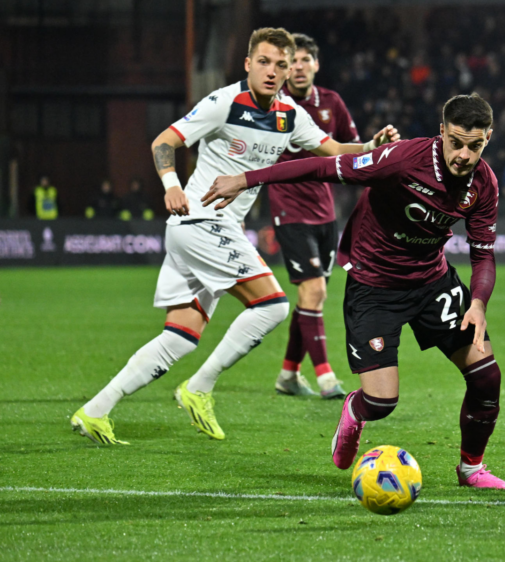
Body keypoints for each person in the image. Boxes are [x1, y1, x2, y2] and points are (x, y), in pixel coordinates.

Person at [70, 27, 397, 445]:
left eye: (281, 64)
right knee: (275, 306)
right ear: (248, 63)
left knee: (179, 337)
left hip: (204, 230)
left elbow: (333, 149)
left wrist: (372, 145)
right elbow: (164, 141)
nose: (273, 71)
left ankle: (95, 410)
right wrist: (171, 184)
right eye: (264, 62)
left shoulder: (290, 114)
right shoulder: (225, 101)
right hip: (200, 221)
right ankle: (200, 387)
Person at [203, 94, 505, 490]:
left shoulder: (484, 184)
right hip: (376, 285)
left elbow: (483, 253)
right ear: (442, 132)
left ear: (488, 138)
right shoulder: (402, 159)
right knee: (382, 403)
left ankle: (471, 469)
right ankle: (354, 408)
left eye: (475, 145)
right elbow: (322, 166)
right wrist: (244, 179)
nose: (464, 155)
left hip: (432, 281)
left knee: (487, 377)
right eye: (456, 142)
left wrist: (478, 302)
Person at [267, 33, 363, 400]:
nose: (299, 66)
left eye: (305, 60)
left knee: (311, 298)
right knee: (315, 289)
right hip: (289, 209)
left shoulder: (332, 103)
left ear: (316, 65)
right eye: (293, 60)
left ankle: (288, 375)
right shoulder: (272, 104)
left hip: (326, 212)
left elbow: (350, 152)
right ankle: (326, 378)